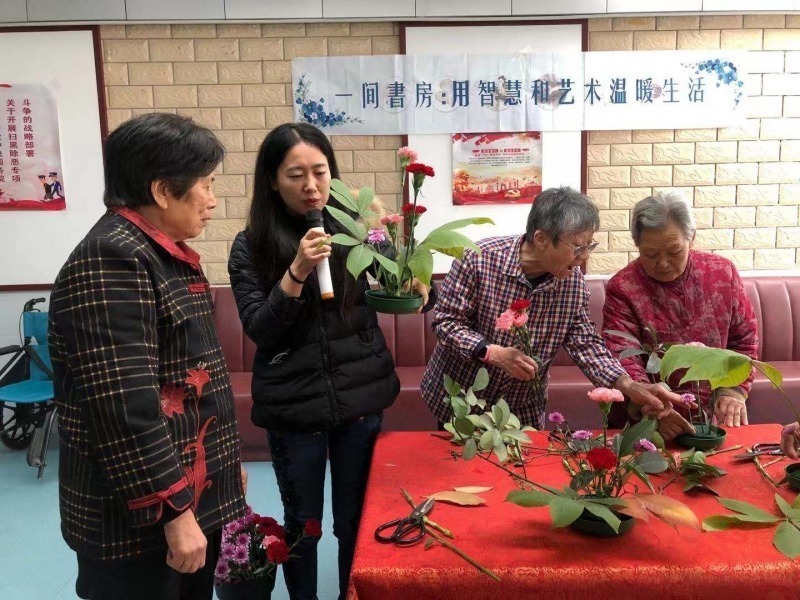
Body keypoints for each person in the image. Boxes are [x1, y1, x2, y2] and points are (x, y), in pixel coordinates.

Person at [228, 122, 431, 600]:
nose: (311, 185)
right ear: (272, 181)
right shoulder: (251, 244)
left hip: (358, 401)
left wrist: (414, 273)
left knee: (354, 520)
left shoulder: (356, 233)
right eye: (295, 174)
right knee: (304, 523)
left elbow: (400, 287)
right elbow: (260, 328)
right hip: (293, 408)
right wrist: (296, 270)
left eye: (319, 171)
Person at [49, 113, 247, 600]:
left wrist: (223, 469)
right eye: (206, 184)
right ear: (162, 190)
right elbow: (125, 408)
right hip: (137, 522)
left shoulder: (155, 252)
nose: (213, 200)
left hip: (184, 490)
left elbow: (183, 380)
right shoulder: (112, 258)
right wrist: (176, 513)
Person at [422, 186, 678, 430]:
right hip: (461, 401)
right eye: (578, 247)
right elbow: (447, 322)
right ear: (541, 238)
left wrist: (628, 385)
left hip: (520, 411)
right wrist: (494, 353)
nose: (585, 256)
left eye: (590, 245)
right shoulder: (478, 259)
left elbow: (585, 344)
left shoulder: (571, 283)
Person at [602, 191, 758, 440]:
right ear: (637, 245)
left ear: (691, 238)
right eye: (650, 254)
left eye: (674, 251)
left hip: (712, 418)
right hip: (645, 421)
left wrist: (733, 390)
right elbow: (621, 354)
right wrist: (652, 408)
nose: (663, 263)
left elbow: (744, 340)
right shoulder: (623, 287)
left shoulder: (722, 273)